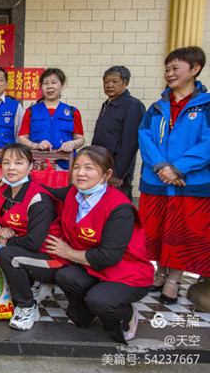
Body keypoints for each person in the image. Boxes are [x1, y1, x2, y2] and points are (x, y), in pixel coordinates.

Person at [45, 146, 153, 343]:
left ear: (107, 174)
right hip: (91, 266)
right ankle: (85, 315)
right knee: (65, 276)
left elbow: (108, 256)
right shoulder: (73, 193)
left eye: (89, 168)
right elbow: (46, 192)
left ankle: (126, 314)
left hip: (126, 272)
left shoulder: (119, 208)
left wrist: (68, 253)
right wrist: (11, 183)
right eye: (77, 167)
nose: (80, 173)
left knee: (99, 301)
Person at [138, 46, 210, 306]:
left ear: (195, 69)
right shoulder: (157, 107)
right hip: (156, 181)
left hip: (190, 182)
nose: (169, 73)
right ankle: (159, 273)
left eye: (175, 68)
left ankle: (174, 279)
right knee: (155, 230)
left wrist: (178, 168)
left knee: (181, 232)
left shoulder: (205, 105)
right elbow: (145, 137)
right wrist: (161, 167)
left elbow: (207, 143)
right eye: (167, 69)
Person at [0, 143, 68, 331]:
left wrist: (7, 241)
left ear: (30, 166)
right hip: (25, 251)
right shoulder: (3, 189)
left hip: (51, 258)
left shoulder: (39, 198)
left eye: (18, 163)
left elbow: (34, 242)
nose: (11, 168)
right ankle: (34, 285)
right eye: (6, 162)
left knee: (7, 255)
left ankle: (27, 306)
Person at [91, 66, 145, 201]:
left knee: (118, 203)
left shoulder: (133, 105)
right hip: (101, 163)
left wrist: (118, 172)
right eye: (106, 82)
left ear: (126, 83)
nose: (109, 85)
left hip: (116, 171)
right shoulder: (107, 104)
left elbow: (131, 143)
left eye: (115, 81)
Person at [18, 68, 85, 170]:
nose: (49, 86)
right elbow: (22, 138)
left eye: (54, 82)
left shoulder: (72, 112)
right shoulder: (31, 111)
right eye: (46, 83)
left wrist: (72, 143)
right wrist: (36, 145)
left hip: (66, 164)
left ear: (62, 85)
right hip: (38, 165)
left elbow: (80, 139)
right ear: (41, 86)